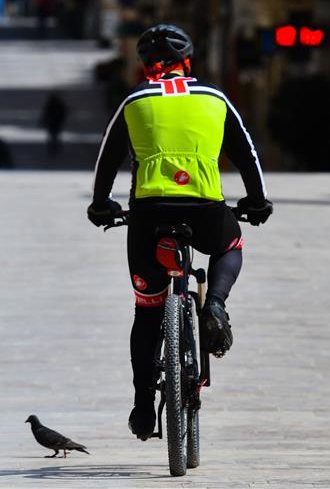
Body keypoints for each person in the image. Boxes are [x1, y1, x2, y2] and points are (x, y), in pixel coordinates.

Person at [86, 24, 273, 441]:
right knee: (230, 245)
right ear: (188, 60)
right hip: (205, 207)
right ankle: (216, 305)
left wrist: (100, 205)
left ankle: (141, 405)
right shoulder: (215, 97)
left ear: (145, 65)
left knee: (147, 308)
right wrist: (257, 201)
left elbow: (106, 159)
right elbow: (246, 153)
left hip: (147, 214)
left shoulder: (134, 101)